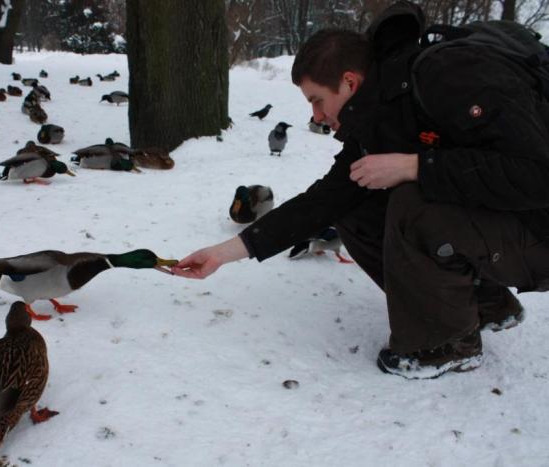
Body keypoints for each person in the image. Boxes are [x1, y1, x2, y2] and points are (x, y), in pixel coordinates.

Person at [171, 0, 549, 379]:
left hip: (540, 230)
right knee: (356, 202)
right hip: (506, 224)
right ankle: (483, 306)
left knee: (414, 202)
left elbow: (538, 174)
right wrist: (223, 253)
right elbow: (324, 201)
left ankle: (446, 344)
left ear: (349, 82)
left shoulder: (449, 77)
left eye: (317, 101)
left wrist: (416, 166)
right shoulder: (381, 114)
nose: (316, 117)